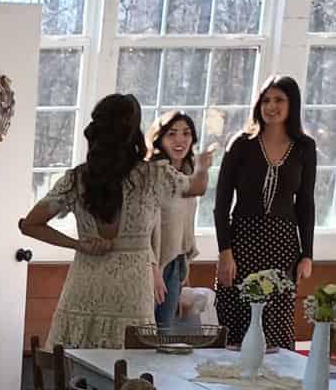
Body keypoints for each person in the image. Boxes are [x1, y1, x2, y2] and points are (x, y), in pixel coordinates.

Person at [20, 92, 212, 350]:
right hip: (131, 291)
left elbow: (30, 224)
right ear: (134, 132)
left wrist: (79, 244)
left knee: (78, 373)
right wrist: (202, 165)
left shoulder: (77, 179)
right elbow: (196, 187)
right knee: (129, 372)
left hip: (85, 286)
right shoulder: (152, 175)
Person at [213, 76, 316, 350]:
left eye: (279, 100)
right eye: (266, 100)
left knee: (276, 327)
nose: (271, 106)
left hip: (283, 247)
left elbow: (305, 203)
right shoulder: (241, 144)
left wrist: (307, 254)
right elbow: (221, 203)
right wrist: (225, 251)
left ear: (292, 104)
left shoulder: (305, 147)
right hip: (242, 243)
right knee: (237, 324)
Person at [148, 111, 200, 329]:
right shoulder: (153, 174)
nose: (180, 140)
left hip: (176, 266)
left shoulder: (190, 174)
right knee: (145, 333)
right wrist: (154, 271)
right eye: (172, 134)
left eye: (186, 133)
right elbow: (144, 228)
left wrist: (182, 276)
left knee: (164, 335)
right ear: (160, 139)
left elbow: (184, 226)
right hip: (152, 265)